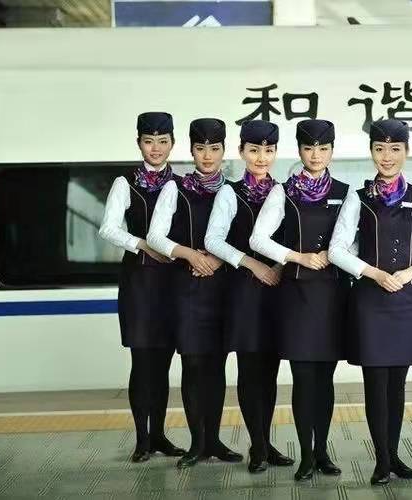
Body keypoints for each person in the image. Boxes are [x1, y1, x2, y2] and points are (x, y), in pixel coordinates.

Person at [328, 118, 412, 485]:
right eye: (380, 149)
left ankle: (394, 456)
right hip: (371, 300)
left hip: (408, 299)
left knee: (397, 384)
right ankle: (381, 460)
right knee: (376, 383)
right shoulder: (357, 198)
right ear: (371, 152)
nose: (387, 156)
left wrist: (410, 273)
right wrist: (375, 274)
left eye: (395, 149)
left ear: (406, 152)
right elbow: (336, 250)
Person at [248, 119, 347, 481]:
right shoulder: (283, 193)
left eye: (323, 148)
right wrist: (298, 257)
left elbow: (353, 239)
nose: (316, 155)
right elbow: (258, 239)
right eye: (308, 148)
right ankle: (306, 454)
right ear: (300, 151)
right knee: (304, 378)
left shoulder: (346, 193)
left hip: (333, 296)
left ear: (332, 151)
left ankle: (322, 452)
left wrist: (335, 255)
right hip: (297, 297)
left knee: (326, 378)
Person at [147, 118, 242, 468]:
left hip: (223, 288)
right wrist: (190, 255)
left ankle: (214, 440)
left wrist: (215, 260)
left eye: (214, 149)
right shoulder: (175, 188)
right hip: (186, 288)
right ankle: (197, 443)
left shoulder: (233, 190)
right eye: (200, 148)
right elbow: (155, 236)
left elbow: (243, 238)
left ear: (224, 151)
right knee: (192, 364)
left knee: (216, 365)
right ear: (191, 150)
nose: (207, 156)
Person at [204, 120, 293, 473]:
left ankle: (266, 442)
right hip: (244, 291)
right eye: (254, 150)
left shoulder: (284, 192)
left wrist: (281, 267)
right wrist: (254, 265)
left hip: (278, 291)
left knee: (269, 370)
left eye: (268, 151)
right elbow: (213, 240)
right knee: (250, 369)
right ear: (241, 152)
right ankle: (257, 445)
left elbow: (293, 240)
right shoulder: (230, 193)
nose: (261, 157)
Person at [98, 111, 184, 463]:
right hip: (139, 284)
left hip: (172, 284)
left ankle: (160, 435)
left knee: (162, 363)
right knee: (142, 361)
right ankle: (142, 439)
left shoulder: (181, 184)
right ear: (139, 143)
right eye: (149, 142)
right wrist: (143, 244)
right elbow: (108, 228)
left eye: (163, 142)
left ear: (172, 144)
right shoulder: (125, 183)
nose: (156, 149)